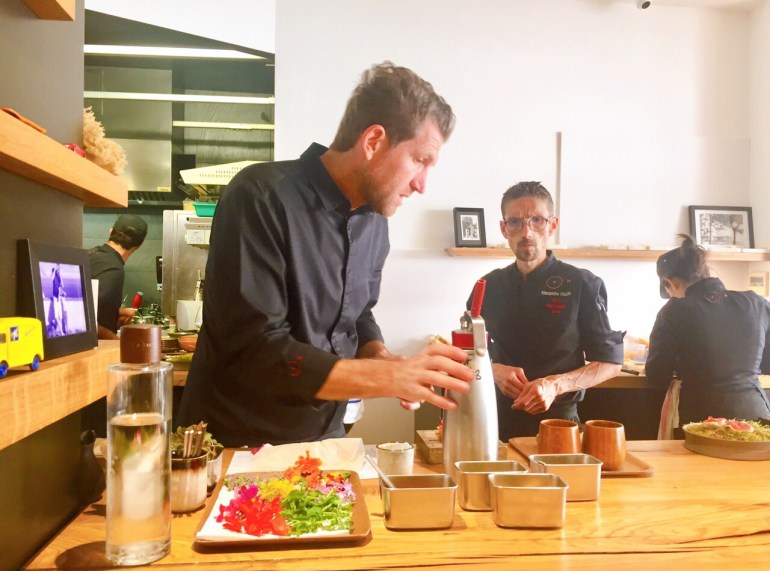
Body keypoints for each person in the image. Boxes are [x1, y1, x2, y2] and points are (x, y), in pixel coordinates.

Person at [177, 61, 473, 447]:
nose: (422, 185)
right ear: (373, 141)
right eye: (419, 160)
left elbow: (358, 314)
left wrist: (380, 357)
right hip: (236, 441)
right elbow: (257, 351)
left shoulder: (375, 222)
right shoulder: (260, 196)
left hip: (323, 437)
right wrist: (387, 378)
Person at [467, 181, 624, 440]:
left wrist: (555, 385)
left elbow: (610, 362)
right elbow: (466, 355)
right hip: (493, 421)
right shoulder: (488, 286)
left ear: (552, 225)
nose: (526, 232)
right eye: (515, 222)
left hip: (558, 424)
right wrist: (493, 370)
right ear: (504, 229)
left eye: (537, 220)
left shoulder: (582, 284)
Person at [645, 234, 770, 434]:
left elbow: (657, 375)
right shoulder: (756, 303)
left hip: (704, 420)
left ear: (670, 282)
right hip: (756, 416)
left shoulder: (674, 311)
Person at [88, 214, 148, 339]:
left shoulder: (91, 254)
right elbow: (88, 321)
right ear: (140, 245)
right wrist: (117, 342)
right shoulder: (113, 269)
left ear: (110, 232)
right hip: (94, 347)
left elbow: (89, 306)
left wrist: (116, 312)